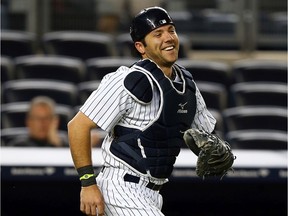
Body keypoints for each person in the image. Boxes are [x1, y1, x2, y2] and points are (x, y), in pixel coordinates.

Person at [68, 6, 216, 216]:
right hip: (120, 188)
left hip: (153, 194)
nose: (168, 38)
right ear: (141, 46)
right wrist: (87, 183)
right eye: (158, 34)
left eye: (171, 30)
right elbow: (78, 125)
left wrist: (214, 149)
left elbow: (205, 134)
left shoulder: (187, 84)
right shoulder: (128, 80)